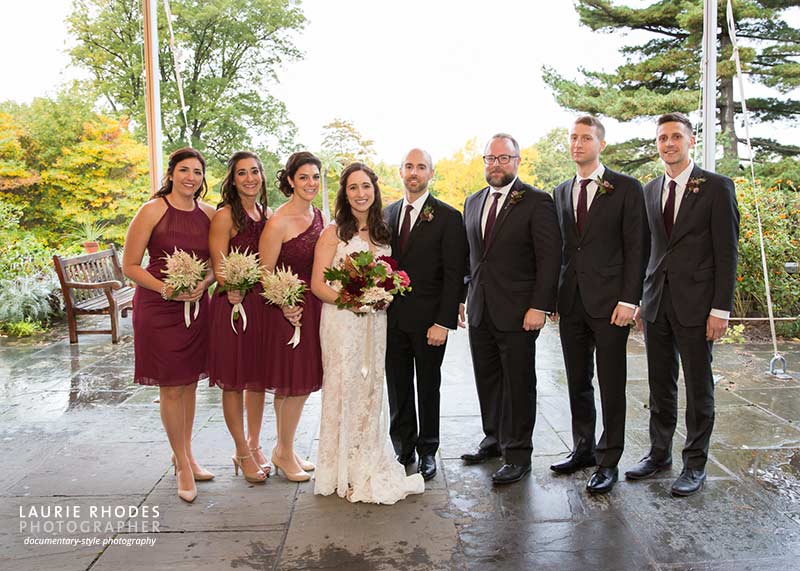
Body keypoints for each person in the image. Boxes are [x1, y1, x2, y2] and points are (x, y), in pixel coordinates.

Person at [628, 112, 740, 496]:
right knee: (660, 385)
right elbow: (647, 250)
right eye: (662, 138)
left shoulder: (716, 187)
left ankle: (695, 463)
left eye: (676, 136)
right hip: (658, 303)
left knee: (698, 387)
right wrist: (642, 299)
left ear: (691, 141)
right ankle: (659, 454)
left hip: (699, 305)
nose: (669, 144)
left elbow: (727, 253)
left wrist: (720, 309)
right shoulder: (649, 190)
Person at [311, 162, 425, 503]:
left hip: (375, 324)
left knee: (372, 390)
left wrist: (382, 295)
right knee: (344, 389)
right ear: (345, 195)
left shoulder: (382, 232)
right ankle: (340, 471)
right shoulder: (334, 232)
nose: (361, 194)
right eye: (353, 188)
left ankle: (365, 460)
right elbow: (317, 284)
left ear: (375, 191)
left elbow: (389, 277)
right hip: (342, 321)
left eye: (366, 187)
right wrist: (352, 302)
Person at [549, 116, 647, 494]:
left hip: (611, 305)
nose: (577, 144)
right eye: (573, 137)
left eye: (585, 138)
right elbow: (561, 249)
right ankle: (583, 448)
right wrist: (554, 298)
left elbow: (637, 247)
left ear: (600, 144)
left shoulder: (625, 188)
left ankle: (609, 460)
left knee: (611, 383)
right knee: (577, 382)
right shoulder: (560, 191)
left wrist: (629, 299)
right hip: (571, 303)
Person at [461, 133, 562, 485]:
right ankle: (494, 439)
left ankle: (518, 454)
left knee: (519, 383)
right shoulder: (472, 202)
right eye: (491, 158)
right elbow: (471, 257)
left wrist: (540, 306)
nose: (496, 164)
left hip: (520, 312)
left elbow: (550, 260)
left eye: (504, 158)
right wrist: (464, 298)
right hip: (481, 309)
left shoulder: (537, 201)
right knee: (487, 379)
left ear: (517, 161)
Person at [123, 147, 217, 503]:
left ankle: (188, 454)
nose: (190, 177)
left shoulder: (209, 214)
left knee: (190, 384)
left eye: (197, 171)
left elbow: (214, 263)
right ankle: (180, 464)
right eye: (184, 170)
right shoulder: (151, 210)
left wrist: (202, 284)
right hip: (158, 308)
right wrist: (167, 289)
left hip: (195, 308)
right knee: (171, 388)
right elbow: (130, 265)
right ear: (172, 174)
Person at [383, 148, 468, 481]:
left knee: (429, 386)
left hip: (430, 321)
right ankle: (403, 448)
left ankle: (428, 450)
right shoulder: (386, 214)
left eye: (420, 167)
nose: (413, 173)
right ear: (400, 171)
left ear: (431, 173)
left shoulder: (448, 217)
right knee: (398, 386)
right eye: (408, 166)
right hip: (391, 320)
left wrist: (444, 322)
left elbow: (455, 273)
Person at [259, 151, 325, 482]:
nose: (310, 183)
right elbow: (264, 271)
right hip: (286, 311)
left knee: (291, 386)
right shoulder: (279, 221)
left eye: (315, 177)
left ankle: (286, 447)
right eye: (303, 177)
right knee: (295, 384)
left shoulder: (319, 216)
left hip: (312, 307)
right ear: (290, 181)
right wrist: (285, 304)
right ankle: (283, 452)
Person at [208, 151, 273, 485]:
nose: (250, 178)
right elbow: (218, 265)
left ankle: (255, 443)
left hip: (260, 306)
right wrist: (230, 285)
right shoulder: (224, 216)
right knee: (234, 381)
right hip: (233, 307)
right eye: (242, 173)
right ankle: (241, 451)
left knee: (257, 379)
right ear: (232, 180)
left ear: (262, 176)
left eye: (255, 171)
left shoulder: (266, 213)